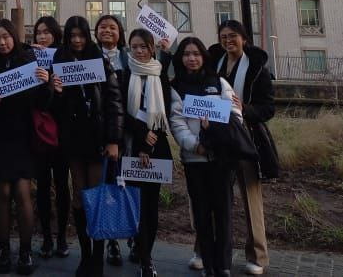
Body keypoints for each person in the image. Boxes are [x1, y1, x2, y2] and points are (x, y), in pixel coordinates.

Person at [49, 15, 123, 277]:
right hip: (72, 139)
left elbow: (114, 102)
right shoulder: (59, 60)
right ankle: (85, 253)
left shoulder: (99, 60)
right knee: (79, 198)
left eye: (81, 35)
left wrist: (114, 140)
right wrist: (54, 91)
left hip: (98, 139)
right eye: (72, 36)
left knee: (97, 198)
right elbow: (53, 109)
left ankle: (98, 256)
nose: (77, 40)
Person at [0, 19, 50, 275]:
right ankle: (5, 250)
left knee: (22, 192)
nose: (2, 42)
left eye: (6, 36)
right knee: (2, 193)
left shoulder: (29, 59)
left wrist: (45, 82)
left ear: (14, 37)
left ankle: (26, 251)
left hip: (23, 137)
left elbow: (42, 103)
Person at [169, 37, 242, 277]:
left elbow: (235, 115)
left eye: (196, 53)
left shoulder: (219, 82)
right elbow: (177, 124)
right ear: (181, 58)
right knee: (201, 215)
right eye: (187, 54)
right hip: (195, 160)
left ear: (203, 56)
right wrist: (195, 146)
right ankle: (208, 265)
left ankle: (223, 265)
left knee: (223, 214)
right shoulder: (176, 86)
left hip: (222, 160)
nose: (192, 58)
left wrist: (218, 135)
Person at [208, 21, 275, 276]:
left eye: (233, 36)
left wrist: (245, 108)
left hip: (246, 138)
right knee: (214, 197)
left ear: (244, 39)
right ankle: (207, 250)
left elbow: (268, 108)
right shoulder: (214, 63)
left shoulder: (257, 68)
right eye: (223, 37)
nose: (228, 41)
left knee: (251, 197)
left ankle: (258, 255)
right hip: (217, 137)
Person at [120, 28, 172, 277]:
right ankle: (136, 242)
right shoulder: (124, 74)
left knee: (151, 207)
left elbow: (166, 114)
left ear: (152, 48)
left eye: (143, 46)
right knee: (134, 204)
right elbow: (120, 112)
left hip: (155, 149)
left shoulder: (160, 75)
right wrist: (141, 135)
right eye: (134, 46)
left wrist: (149, 144)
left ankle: (146, 258)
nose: (139, 51)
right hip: (131, 148)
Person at [93, 14, 131, 268]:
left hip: (130, 132)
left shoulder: (129, 57)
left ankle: (135, 236)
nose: (107, 31)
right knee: (106, 187)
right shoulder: (89, 58)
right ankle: (112, 241)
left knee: (127, 184)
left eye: (112, 27)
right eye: (102, 27)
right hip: (99, 132)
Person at [31, 16, 70, 260]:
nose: (42, 37)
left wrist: (59, 90)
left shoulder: (65, 59)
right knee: (43, 186)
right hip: (41, 135)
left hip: (63, 133)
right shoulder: (31, 61)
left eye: (47, 32)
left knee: (62, 187)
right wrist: (44, 84)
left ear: (56, 34)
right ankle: (46, 237)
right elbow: (34, 100)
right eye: (38, 33)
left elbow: (71, 102)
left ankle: (62, 237)